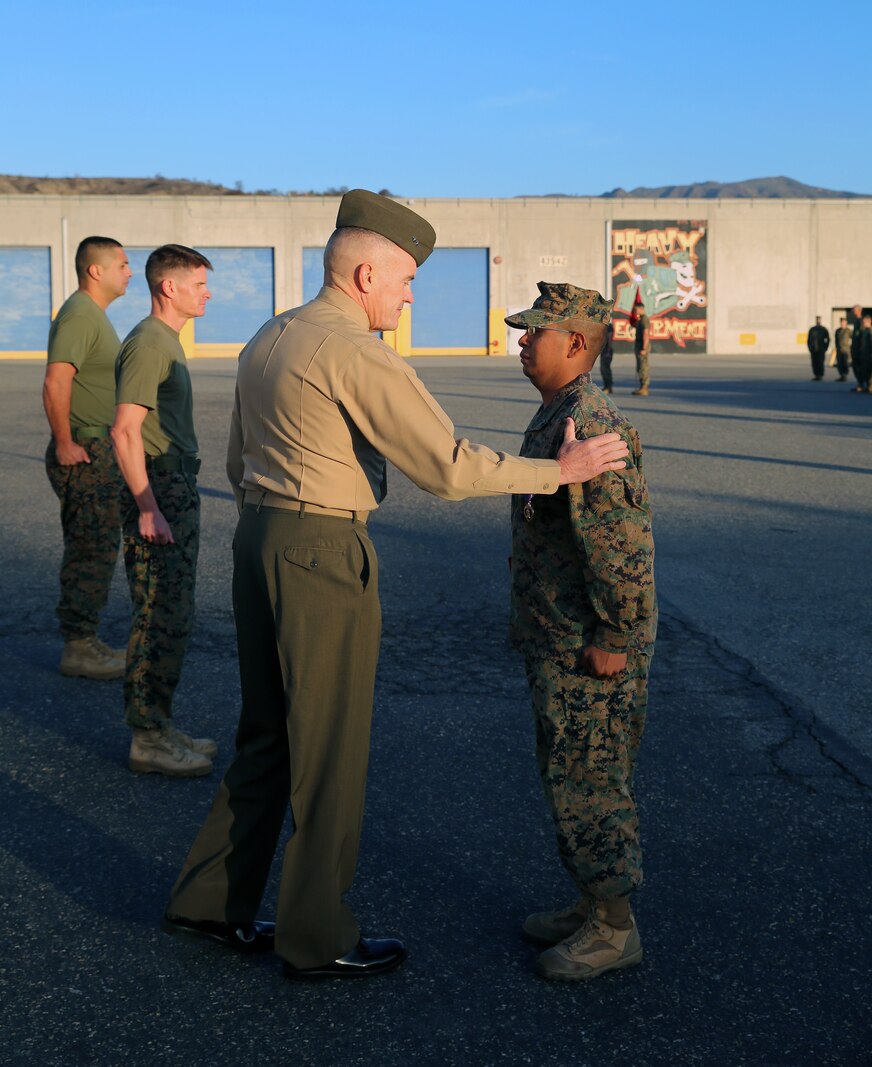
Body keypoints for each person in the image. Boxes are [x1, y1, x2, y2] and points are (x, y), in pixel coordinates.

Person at [162, 190, 631, 982]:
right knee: (329, 751)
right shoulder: (356, 351)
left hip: (260, 540)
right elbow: (447, 467)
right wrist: (563, 469)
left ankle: (211, 899)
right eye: (407, 279)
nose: (411, 295)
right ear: (366, 273)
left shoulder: (270, 336)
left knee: (268, 734)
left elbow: (240, 459)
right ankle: (316, 938)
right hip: (318, 548)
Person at [506, 282, 656, 981]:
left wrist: (615, 637)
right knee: (567, 772)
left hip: (587, 643)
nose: (521, 340)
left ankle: (613, 927)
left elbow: (621, 550)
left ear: (574, 343)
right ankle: (591, 898)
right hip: (557, 633)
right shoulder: (557, 412)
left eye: (535, 331)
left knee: (592, 778)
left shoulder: (591, 423)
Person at [110, 244, 218, 777]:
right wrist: (148, 508)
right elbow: (124, 430)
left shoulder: (164, 341)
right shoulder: (150, 343)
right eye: (199, 284)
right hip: (159, 489)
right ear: (168, 287)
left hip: (173, 484)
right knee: (158, 615)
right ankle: (148, 737)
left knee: (172, 615)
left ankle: (160, 724)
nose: (207, 293)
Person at [43, 236, 132, 680]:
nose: (129, 272)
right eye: (123, 263)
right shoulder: (80, 314)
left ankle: (86, 640)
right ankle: (78, 647)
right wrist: (64, 442)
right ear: (96, 271)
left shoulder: (92, 315)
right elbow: (56, 381)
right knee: (89, 548)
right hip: (84, 448)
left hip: (98, 447)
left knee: (97, 546)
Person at [632, 305, 650, 396]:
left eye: (636, 309)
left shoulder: (644, 320)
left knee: (643, 366)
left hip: (642, 345)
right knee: (640, 366)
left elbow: (646, 334)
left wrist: (644, 348)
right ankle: (642, 386)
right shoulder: (640, 319)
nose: (635, 311)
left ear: (641, 309)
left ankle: (644, 387)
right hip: (639, 344)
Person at [806, 316, 829, 381]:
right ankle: (816, 375)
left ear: (820, 320)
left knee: (820, 363)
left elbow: (827, 339)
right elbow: (808, 340)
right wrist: (810, 348)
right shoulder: (812, 329)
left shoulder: (823, 329)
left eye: (819, 320)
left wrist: (826, 347)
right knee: (814, 363)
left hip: (821, 349)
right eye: (817, 320)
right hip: (813, 349)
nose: (818, 321)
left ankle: (820, 375)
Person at [833, 318, 852, 382]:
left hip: (845, 350)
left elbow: (853, 338)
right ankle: (841, 375)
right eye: (841, 322)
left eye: (844, 322)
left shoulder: (848, 330)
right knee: (839, 363)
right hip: (839, 350)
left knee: (845, 363)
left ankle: (844, 375)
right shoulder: (837, 331)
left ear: (846, 323)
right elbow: (836, 340)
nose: (842, 324)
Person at [599, 320, 614, 393]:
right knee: (603, 369)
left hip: (607, 350)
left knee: (606, 369)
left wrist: (608, 350)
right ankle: (606, 386)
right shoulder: (604, 326)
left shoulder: (609, 327)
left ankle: (608, 387)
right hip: (604, 350)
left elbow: (610, 339)